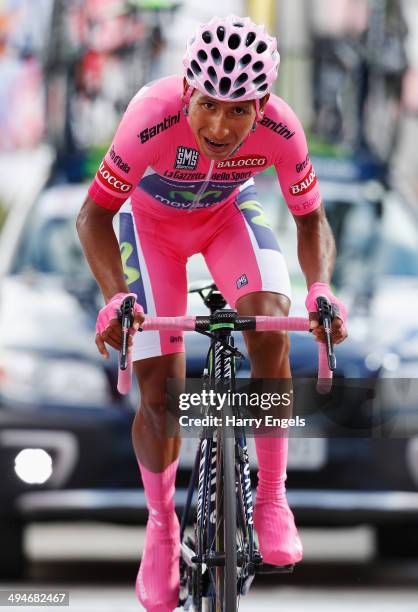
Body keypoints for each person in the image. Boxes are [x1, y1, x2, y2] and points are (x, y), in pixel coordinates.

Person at [77, 15, 348, 611]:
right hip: (150, 229)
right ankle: (162, 529)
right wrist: (115, 297)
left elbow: (310, 220)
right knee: (160, 393)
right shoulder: (150, 114)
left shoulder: (282, 126)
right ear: (186, 89)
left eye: (239, 110)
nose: (221, 126)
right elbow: (92, 216)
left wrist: (320, 287)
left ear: (263, 106)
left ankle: (272, 496)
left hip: (228, 216)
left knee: (273, 323)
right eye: (208, 105)